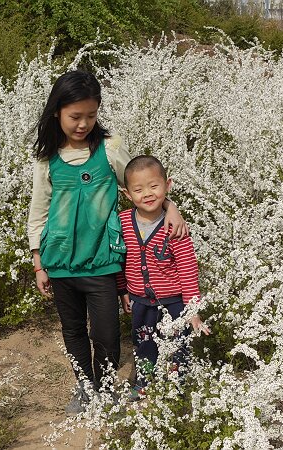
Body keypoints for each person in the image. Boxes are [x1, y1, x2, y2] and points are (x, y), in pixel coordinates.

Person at [28, 70, 188, 415]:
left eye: (90, 115)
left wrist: (172, 206)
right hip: (60, 261)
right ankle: (85, 388)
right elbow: (38, 211)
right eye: (75, 116)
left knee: (107, 334)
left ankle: (104, 383)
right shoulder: (47, 158)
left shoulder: (109, 148)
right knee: (72, 330)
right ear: (57, 111)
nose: (83, 124)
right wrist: (38, 261)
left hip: (103, 260)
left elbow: (141, 185)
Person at [117, 155, 210, 400]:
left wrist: (193, 310)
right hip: (141, 300)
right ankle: (145, 381)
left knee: (179, 345)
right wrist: (123, 290)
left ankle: (177, 385)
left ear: (167, 186)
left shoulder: (174, 226)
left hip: (174, 302)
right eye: (138, 190)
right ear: (128, 195)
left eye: (154, 186)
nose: (147, 194)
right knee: (144, 344)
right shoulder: (124, 222)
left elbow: (188, 269)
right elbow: (120, 258)